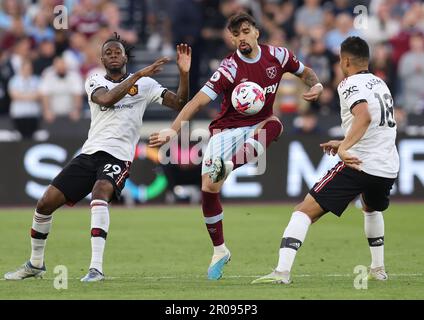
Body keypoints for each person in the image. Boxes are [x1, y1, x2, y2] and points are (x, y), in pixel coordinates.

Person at [149, 12, 323, 280]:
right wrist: (172, 131)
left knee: (275, 123)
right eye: (235, 34)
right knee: (209, 186)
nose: (240, 37)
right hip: (225, 130)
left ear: (256, 32)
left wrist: (318, 84)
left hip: (258, 124)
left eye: (244, 31)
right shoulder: (228, 68)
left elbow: (306, 72)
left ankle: (228, 166)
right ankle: (220, 250)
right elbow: (196, 102)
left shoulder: (278, 56)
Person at [4, 33, 191, 282]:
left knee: (101, 191)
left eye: (118, 52)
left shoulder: (147, 86)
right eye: (108, 53)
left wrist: (184, 73)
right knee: (44, 204)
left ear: (125, 56)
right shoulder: (94, 80)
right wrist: (138, 75)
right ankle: (36, 264)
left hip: (119, 156)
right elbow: (107, 98)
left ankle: (96, 268)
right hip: (90, 153)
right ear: (102, 59)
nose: (113, 55)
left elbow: (180, 103)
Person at [252, 36, 399, 285]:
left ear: (345, 60)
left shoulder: (348, 84)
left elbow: (363, 117)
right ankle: (378, 269)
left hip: (359, 163)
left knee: (303, 211)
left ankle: (281, 272)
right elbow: (375, 124)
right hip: (387, 166)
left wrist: (345, 148)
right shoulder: (380, 84)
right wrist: (343, 142)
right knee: (370, 208)